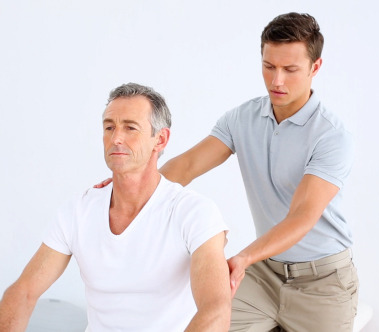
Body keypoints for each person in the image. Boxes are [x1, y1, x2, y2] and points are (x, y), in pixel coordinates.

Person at [98, 12, 359, 331]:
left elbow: (301, 216)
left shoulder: (331, 135)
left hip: (322, 282)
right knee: (208, 322)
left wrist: (244, 258)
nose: (277, 81)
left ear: (314, 68)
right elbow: (187, 165)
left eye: (290, 70)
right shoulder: (243, 119)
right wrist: (130, 187)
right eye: (269, 66)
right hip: (265, 276)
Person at [0, 83, 231, 332]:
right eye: (109, 127)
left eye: (130, 128)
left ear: (160, 139)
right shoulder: (78, 211)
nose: (116, 138)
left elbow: (215, 310)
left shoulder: (194, 213)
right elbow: (23, 292)